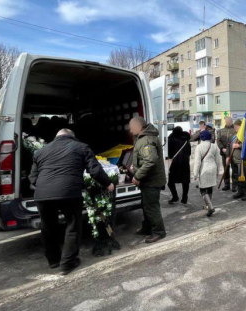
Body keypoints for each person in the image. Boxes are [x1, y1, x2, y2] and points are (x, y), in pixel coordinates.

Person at [29, 129, 114, 275]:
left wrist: (46, 186)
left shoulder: (40, 152)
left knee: (48, 226)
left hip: (43, 194)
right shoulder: (81, 147)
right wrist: (108, 184)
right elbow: (94, 170)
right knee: (73, 226)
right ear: (72, 137)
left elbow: (32, 178)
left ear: (56, 137)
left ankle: (53, 260)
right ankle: (68, 263)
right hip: (69, 192)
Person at [129, 117, 167, 244]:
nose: (130, 130)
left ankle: (159, 232)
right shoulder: (144, 137)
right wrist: (135, 166)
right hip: (149, 180)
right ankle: (147, 227)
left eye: (131, 127)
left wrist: (137, 176)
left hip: (152, 181)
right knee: (146, 205)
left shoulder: (145, 140)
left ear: (139, 127)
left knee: (151, 207)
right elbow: (145, 159)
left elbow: (151, 160)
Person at [193, 130, 222, 217]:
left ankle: (210, 206)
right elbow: (218, 160)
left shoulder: (199, 147)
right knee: (209, 187)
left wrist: (195, 174)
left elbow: (197, 162)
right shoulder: (214, 146)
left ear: (201, 138)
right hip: (213, 168)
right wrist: (217, 171)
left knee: (202, 189)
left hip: (204, 169)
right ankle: (207, 205)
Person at [167, 126, 192, 205]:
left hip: (174, 164)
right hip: (185, 163)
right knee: (185, 181)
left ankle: (175, 196)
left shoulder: (171, 140)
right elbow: (189, 152)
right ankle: (184, 198)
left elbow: (169, 153)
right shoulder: (186, 140)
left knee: (170, 181)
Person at [229, 119, 246, 201]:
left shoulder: (244, 135)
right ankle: (240, 192)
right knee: (236, 177)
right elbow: (229, 146)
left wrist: (238, 146)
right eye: (234, 126)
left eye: (236, 126)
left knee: (243, 177)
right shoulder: (234, 135)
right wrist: (228, 156)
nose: (235, 128)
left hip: (241, 160)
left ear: (240, 126)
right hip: (234, 160)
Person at [216, 117, 237, 191]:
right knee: (226, 169)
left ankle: (235, 186)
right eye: (226, 121)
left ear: (231, 121)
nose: (227, 122)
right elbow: (218, 141)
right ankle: (226, 184)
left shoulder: (235, 130)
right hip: (224, 153)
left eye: (229, 121)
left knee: (234, 169)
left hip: (233, 153)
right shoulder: (221, 131)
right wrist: (222, 148)